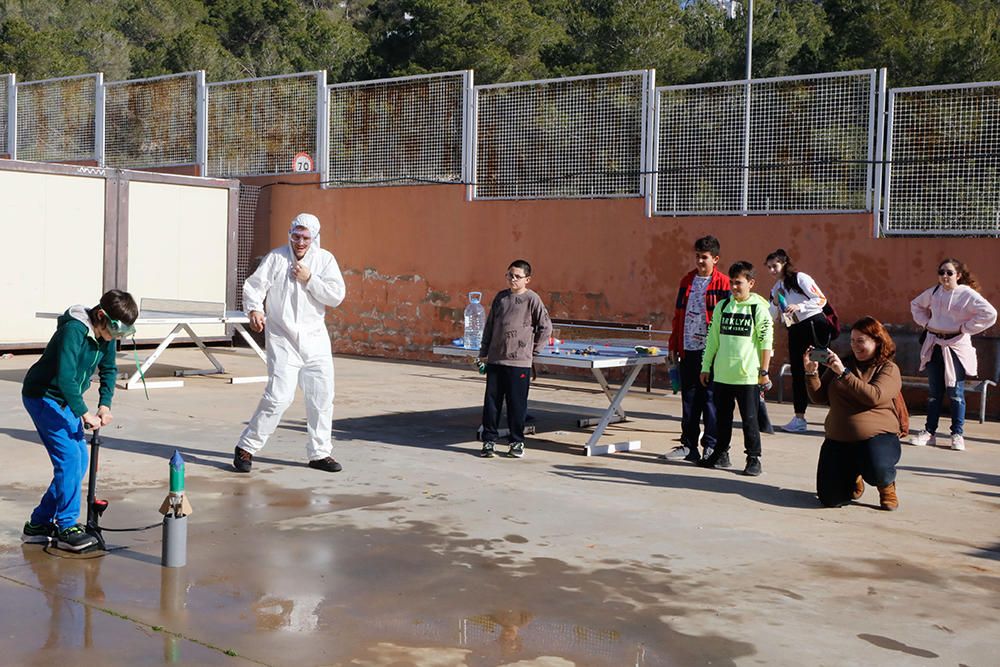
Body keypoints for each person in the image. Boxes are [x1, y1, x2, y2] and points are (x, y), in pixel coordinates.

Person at [21, 289, 139, 552]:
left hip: (67, 400)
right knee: (70, 460)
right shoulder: (74, 331)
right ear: (101, 315)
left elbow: (109, 369)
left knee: (79, 461)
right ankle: (66, 526)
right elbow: (65, 377)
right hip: (43, 397)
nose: (115, 339)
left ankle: (38, 525)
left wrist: (104, 405)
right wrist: (84, 413)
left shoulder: (105, 335)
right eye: (115, 331)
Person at [235, 213, 347, 473]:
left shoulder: (324, 260)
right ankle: (246, 447)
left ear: (314, 238)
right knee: (279, 397)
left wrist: (310, 279)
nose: (300, 242)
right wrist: (254, 310)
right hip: (283, 338)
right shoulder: (276, 258)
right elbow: (255, 286)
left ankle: (320, 453)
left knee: (321, 396)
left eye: (306, 237)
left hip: (316, 340)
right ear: (290, 234)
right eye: (296, 236)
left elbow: (336, 296)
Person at [807, 317, 904, 510]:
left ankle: (886, 485)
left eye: (861, 341)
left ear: (877, 341)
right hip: (839, 439)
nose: (855, 346)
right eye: (852, 341)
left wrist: (844, 374)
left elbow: (874, 396)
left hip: (878, 438)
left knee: (877, 467)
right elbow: (819, 397)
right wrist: (811, 373)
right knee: (830, 499)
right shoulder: (843, 364)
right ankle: (853, 475)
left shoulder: (888, 368)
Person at [909, 258, 997, 451]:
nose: (945, 276)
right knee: (934, 392)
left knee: (955, 392)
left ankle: (957, 434)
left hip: (956, 347)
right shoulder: (933, 292)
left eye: (949, 273)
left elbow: (989, 314)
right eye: (942, 272)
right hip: (934, 344)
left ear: (958, 275)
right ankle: (929, 432)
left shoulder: (967, 294)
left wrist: (965, 328)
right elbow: (915, 305)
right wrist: (926, 323)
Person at [698, 261, 773, 476]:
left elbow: (766, 342)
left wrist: (764, 372)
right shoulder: (722, 306)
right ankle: (721, 454)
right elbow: (712, 340)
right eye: (731, 283)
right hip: (722, 375)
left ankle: (753, 458)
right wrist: (706, 367)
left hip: (748, 377)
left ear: (751, 283)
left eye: (738, 283)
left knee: (750, 420)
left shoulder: (758, 308)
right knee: (722, 419)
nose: (733, 287)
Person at [662, 235, 731, 463]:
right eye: (697, 257)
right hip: (688, 349)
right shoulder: (687, 281)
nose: (700, 261)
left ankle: (710, 446)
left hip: (711, 353)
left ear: (716, 259)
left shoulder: (723, 284)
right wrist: (674, 345)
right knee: (689, 399)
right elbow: (677, 316)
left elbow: (727, 320)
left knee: (710, 400)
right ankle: (688, 446)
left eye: (705, 257)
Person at [478, 259, 552, 459]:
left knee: (516, 404)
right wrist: (483, 352)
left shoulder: (532, 299)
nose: (512, 279)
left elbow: (546, 327)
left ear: (527, 279)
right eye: (510, 275)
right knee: (492, 403)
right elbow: (490, 326)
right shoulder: (501, 298)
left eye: (517, 276)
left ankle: (516, 442)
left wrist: (533, 351)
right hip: (496, 360)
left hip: (519, 362)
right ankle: (489, 441)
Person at [765, 249, 832, 433]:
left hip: (814, 325)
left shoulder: (800, 278)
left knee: (825, 368)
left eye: (775, 266)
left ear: (784, 263)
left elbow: (821, 300)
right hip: (795, 329)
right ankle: (799, 417)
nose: (772, 270)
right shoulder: (776, 289)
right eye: (769, 267)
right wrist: (776, 304)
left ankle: (836, 414)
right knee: (797, 371)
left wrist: (800, 306)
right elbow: (773, 316)